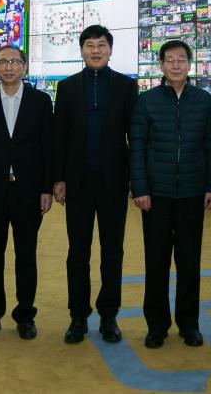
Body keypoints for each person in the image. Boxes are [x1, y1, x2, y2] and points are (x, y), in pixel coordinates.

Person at [52, 25, 139, 344]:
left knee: (112, 251)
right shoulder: (67, 87)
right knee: (78, 251)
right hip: (77, 182)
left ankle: (109, 315)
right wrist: (58, 178)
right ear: (82, 51)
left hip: (113, 182)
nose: (96, 50)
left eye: (102, 45)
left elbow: (135, 136)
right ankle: (78, 316)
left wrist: (135, 179)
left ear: (110, 50)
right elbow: (59, 135)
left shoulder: (127, 87)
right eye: (90, 45)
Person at [130, 40, 211, 349]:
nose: (176, 64)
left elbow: (210, 147)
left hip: (192, 193)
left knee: (189, 263)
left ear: (190, 64)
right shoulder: (147, 101)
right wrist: (140, 188)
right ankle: (157, 326)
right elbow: (137, 147)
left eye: (181, 59)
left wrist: (210, 186)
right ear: (161, 65)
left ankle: (189, 325)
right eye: (170, 60)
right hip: (156, 196)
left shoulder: (203, 100)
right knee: (156, 263)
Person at [0, 45, 53, 342]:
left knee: (26, 255)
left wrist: (46, 188)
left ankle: (25, 316)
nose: (9, 67)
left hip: (29, 191)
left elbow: (47, 147)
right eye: (2, 62)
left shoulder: (41, 101)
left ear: (24, 66)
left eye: (15, 61)